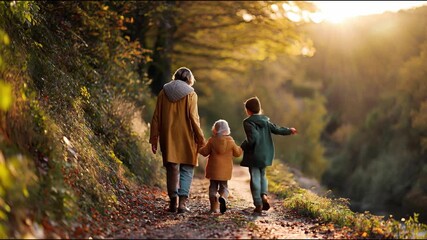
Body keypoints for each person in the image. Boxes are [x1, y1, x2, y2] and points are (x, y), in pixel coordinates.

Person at [149, 67, 205, 214]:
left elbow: (156, 117)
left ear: (176, 77)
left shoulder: (163, 92)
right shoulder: (191, 94)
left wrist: (154, 138)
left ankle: (173, 202)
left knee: (172, 168)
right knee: (187, 168)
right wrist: (200, 138)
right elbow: (194, 118)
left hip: (168, 136)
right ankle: (182, 203)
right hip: (187, 135)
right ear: (189, 79)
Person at [240, 96, 297, 215]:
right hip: (266, 153)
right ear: (259, 109)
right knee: (263, 175)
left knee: (255, 177)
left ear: (248, 110)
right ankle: (264, 195)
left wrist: (242, 147)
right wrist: (289, 130)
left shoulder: (248, 122)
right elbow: (277, 129)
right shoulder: (266, 121)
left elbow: (253, 139)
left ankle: (258, 203)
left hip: (254, 154)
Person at [199, 119, 243, 214]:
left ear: (215, 129)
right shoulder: (231, 141)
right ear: (227, 130)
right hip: (225, 171)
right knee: (224, 187)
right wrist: (241, 148)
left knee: (213, 188)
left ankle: (213, 208)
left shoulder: (212, 140)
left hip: (213, 170)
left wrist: (199, 147)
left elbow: (204, 152)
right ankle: (223, 197)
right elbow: (238, 153)